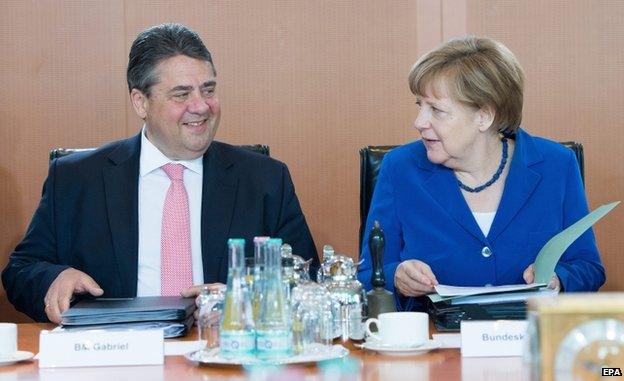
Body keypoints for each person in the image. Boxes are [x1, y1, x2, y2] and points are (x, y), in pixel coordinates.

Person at [2, 23, 318, 323]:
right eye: (181, 94)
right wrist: (54, 278)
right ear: (141, 103)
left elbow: (310, 284)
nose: (202, 106)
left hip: (224, 354)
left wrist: (246, 301)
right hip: (116, 354)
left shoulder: (264, 179)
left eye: (208, 89)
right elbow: (21, 270)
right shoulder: (76, 179)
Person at [357, 36, 605, 311]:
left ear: (484, 116)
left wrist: (559, 280)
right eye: (420, 106)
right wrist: (396, 276)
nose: (419, 122)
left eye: (436, 110)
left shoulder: (556, 165)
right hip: (435, 343)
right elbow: (367, 275)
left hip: (529, 340)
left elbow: (589, 268)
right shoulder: (399, 168)